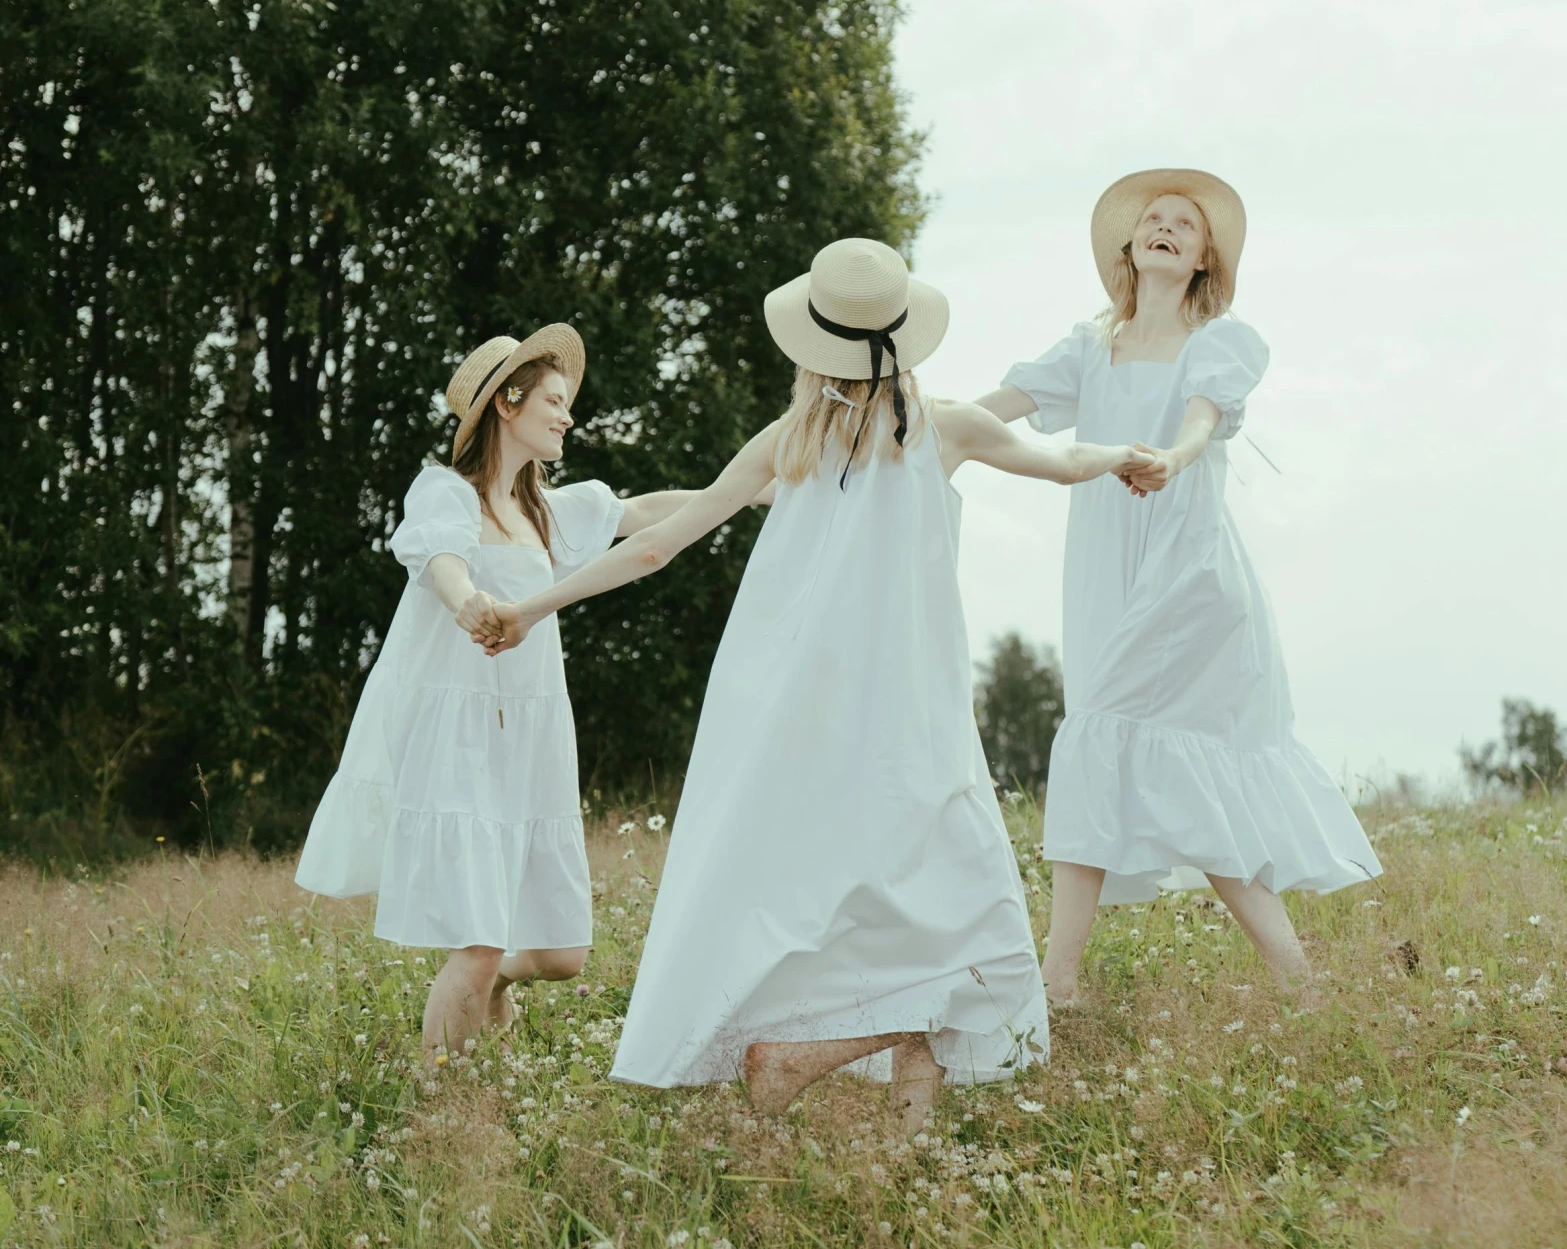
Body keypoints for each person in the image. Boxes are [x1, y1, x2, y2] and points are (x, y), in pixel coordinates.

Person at [467, 239, 1156, 1132]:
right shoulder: (945, 427)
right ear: (905, 336)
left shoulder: (789, 440)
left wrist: (533, 605)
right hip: (911, 718)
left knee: (902, 911)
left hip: (797, 717)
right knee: (961, 910)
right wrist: (1133, 455)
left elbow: (652, 546)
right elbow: (1064, 461)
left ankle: (889, 1143)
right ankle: (808, 1057)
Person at [981, 167, 1381, 1004]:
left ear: (1203, 260)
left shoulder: (1218, 342)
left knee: (1098, 737)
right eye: (1153, 220)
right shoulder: (1087, 348)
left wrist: (1170, 457)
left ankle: (1058, 981)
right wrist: (910, 420)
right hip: (1103, 572)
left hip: (1186, 568)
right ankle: (1298, 982)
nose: (1165, 228)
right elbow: (998, 407)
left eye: (1185, 226)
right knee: (1127, 755)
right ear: (1130, 246)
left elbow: (1202, 417)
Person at [295, 326, 710, 1064]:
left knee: (560, 955)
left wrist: (755, 486)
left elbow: (644, 512)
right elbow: (442, 558)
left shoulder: (547, 510)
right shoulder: (444, 491)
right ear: (507, 402)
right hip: (459, 735)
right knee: (480, 942)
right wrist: (468, 602)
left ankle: (490, 987)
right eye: (554, 400)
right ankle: (439, 1114)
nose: (566, 415)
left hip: (531, 736)